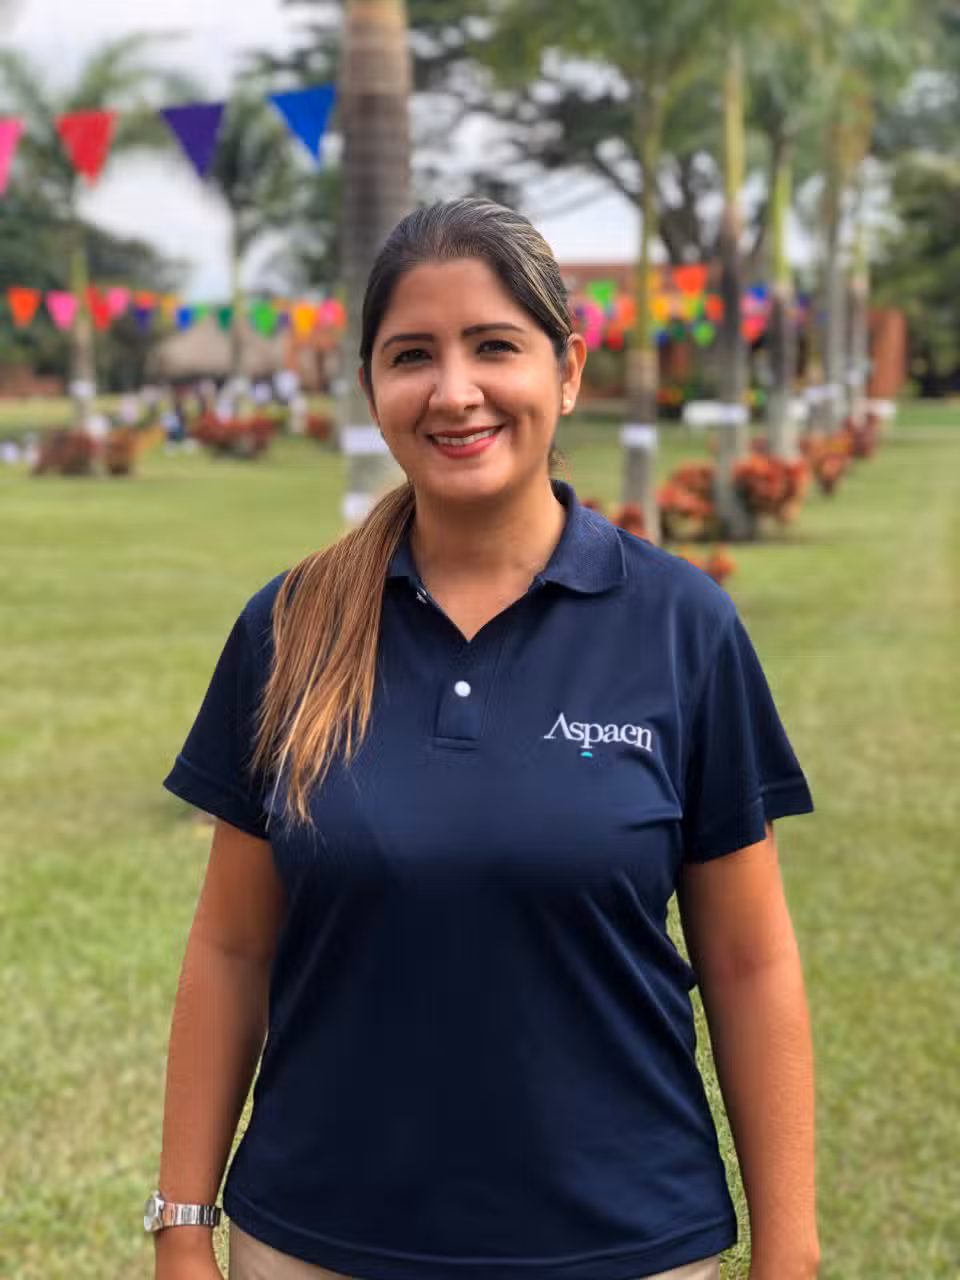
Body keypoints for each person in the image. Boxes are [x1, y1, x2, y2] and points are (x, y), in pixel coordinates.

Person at [150, 198, 819, 1280]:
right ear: (371, 385)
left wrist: (790, 1253)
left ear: (568, 369)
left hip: (624, 1244)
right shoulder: (290, 627)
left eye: (495, 346)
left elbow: (749, 960)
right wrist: (183, 1224)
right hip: (313, 1244)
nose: (454, 391)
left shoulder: (682, 628)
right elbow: (231, 948)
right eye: (412, 355)